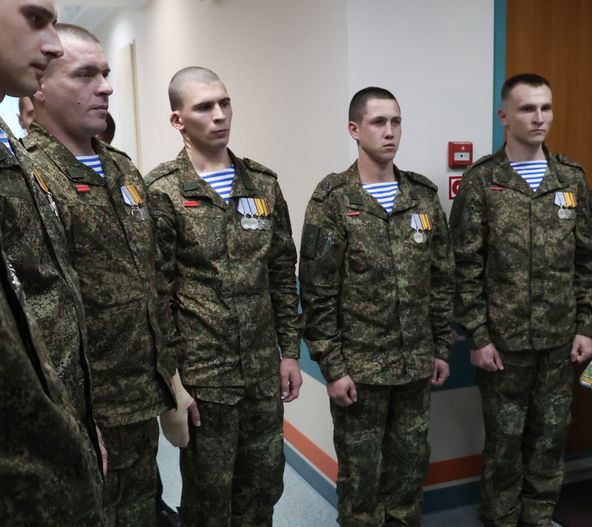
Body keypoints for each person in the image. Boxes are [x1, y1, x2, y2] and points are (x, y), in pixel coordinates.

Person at [24, 24, 176, 526]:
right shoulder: (29, 177)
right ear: (39, 87)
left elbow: (151, 279)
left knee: (142, 511)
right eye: (85, 74)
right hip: (88, 411)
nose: (106, 87)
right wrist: (72, 418)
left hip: (141, 397)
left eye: (106, 73)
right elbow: (37, 315)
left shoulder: (122, 170)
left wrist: (171, 380)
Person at [144, 66, 302, 526]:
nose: (219, 115)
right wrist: (174, 385)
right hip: (203, 380)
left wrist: (290, 353)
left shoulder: (262, 184)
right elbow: (157, 296)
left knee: (263, 488)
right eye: (204, 107)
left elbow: (280, 273)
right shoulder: (163, 192)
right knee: (209, 500)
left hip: (261, 374)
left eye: (224, 103)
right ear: (178, 120)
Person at [450, 73, 592, 526]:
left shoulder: (570, 178)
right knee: (503, 442)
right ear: (504, 116)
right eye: (527, 109)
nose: (539, 118)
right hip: (503, 344)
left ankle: (538, 517)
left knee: (551, 438)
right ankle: (499, 518)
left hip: (559, 341)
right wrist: (477, 336)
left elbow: (591, 258)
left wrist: (585, 325)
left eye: (546, 108)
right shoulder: (483, 181)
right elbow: (464, 266)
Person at [300, 86, 454, 526]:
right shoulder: (333, 199)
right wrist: (333, 368)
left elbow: (442, 278)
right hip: (360, 372)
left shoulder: (421, 196)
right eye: (379, 122)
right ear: (354, 129)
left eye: (396, 122)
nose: (390, 132)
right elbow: (317, 292)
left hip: (414, 366)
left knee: (409, 474)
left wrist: (442, 347)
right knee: (361, 482)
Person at [0, 0, 103, 523]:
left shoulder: (10, 152)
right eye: (36, 18)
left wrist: (78, 424)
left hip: (57, 444)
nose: (55, 43)